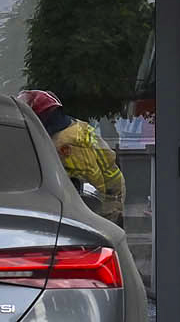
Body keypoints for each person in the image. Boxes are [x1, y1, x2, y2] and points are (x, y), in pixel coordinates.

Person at [18, 89, 126, 226]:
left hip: (83, 211)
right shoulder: (82, 129)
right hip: (104, 204)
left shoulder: (61, 141)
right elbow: (110, 166)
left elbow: (80, 182)